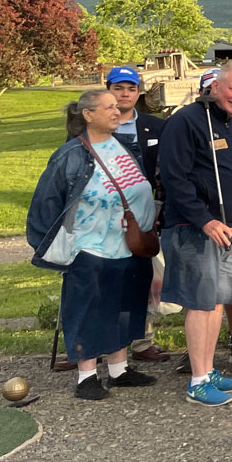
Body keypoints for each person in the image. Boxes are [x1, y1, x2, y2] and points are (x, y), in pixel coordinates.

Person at [28, 90, 160, 400]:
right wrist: (59, 245)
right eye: (109, 107)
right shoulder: (71, 155)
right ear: (88, 115)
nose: (117, 112)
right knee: (89, 310)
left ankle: (118, 370)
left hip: (129, 245)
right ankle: (86, 375)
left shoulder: (124, 146)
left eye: (117, 107)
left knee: (124, 307)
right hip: (90, 249)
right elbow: (45, 204)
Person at [159, 61, 232, 406]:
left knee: (216, 303)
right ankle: (197, 381)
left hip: (231, 231)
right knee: (200, 305)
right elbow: (175, 178)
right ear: (215, 86)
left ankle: (209, 369)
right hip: (197, 231)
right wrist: (205, 220)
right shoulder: (187, 121)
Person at [102, 66, 173, 363]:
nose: (125, 93)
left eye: (131, 88)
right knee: (106, 279)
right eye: (119, 88)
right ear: (109, 90)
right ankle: (96, 343)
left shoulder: (155, 126)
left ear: (138, 92)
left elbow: (167, 170)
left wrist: (159, 206)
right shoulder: (96, 124)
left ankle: (142, 342)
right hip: (106, 213)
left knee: (143, 276)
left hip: (147, 213)